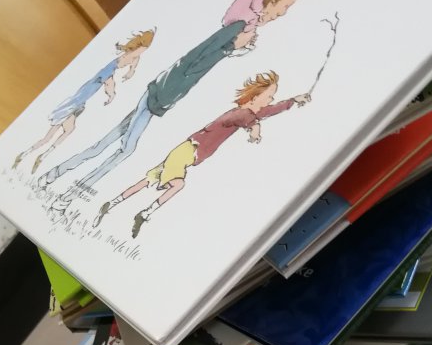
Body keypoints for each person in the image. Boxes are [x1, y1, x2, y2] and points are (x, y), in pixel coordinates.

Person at [37, 0, 305, 214]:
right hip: (159, 95)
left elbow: (200, 61)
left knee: (105, 143)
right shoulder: (236, 28)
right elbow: (197, 58)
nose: (284, 12)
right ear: (271, 2)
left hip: (160, 96)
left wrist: (232, 49)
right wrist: (230, 48)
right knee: (124, 151)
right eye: (286, 5)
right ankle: (69, 195)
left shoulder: (241, 28)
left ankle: (55, 175)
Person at [92, 71, 310, 236]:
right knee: (177, 184)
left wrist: (293, 101)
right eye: (269, 96)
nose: (271, 100)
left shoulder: (248, 112)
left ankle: (111, 204)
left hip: (185, 152)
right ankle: (144, 214)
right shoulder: (240, 113)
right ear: (255, 97)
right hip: (187, 152)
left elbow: (267, 112)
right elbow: (248, 120)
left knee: (149, 180)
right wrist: (255, 130)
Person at [12, 30, 155, 175]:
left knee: (68, 130)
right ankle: (27, 155)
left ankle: (40, 156)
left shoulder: (129, 58)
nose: (137, 56)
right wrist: (112, 95)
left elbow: (134, 60)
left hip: (79, 104)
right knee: (49, 137)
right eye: (140, 51)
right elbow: (109, 82)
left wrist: (131, 70)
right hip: (73, 104)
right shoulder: (109, 69)